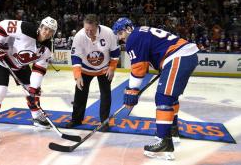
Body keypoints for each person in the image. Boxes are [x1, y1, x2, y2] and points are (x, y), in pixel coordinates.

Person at [112, 17, 199, 160]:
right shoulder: (141, 32)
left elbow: (139, 68)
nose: (120, 38)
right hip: (184, 55)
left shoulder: (133, 37)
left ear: (128, 29)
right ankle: (172, 130)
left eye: (120, 33)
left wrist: (131, 90)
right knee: (170, 97)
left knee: (163, 97)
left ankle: (164, 142)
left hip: (178, 56)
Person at [0, 16, 58, 144]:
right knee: (0, 91)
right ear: (40, 27)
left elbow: (39, 68)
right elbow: (3, 25)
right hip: (1, 60)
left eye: (51, 31)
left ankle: (37, 117)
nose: (47, 32)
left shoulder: (47, 48)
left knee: (31, 90)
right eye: (46, 28)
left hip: (20, 65)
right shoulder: (26, 28)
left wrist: (34, 88)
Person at [66, 14, 120, 132]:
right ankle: (76, 120)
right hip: (85, 69)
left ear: (98, 25)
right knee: (80, 94)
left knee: (106, 95)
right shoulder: (79, 36)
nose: (89, 32)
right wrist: (77, 75)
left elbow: (115, 53)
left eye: (92, 30)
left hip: (104, 69)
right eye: (86, 29)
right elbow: (75, 56)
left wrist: (112, 68)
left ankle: (104, 122)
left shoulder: (108, 33)